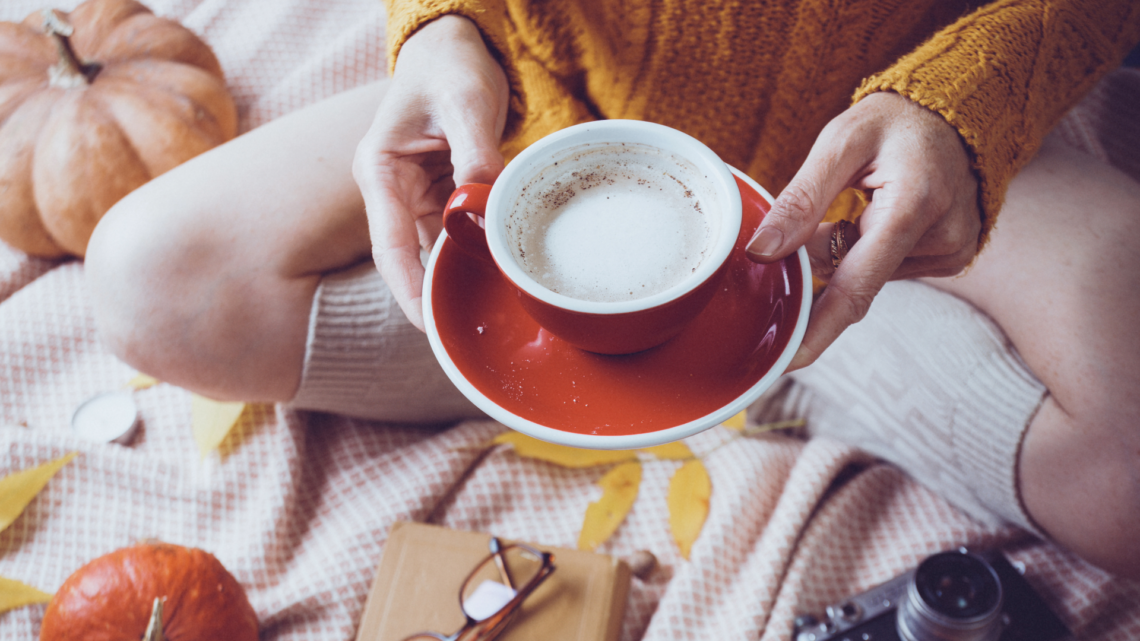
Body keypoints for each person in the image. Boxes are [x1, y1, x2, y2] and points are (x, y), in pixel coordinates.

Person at [84, 0, 1140, 578]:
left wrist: (966, 107)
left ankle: (787, 341)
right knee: (146, 282)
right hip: (562, 114)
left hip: (889, 154)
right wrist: (444, 25)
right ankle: (653, 352)